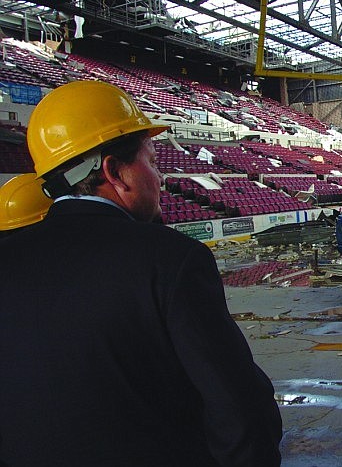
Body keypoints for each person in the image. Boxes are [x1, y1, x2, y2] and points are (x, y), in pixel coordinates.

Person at [0, 80, 282, 466]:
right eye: (151, 161)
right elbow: (241, 413)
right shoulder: (171, 260)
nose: (160, 178)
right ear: (115, 171)